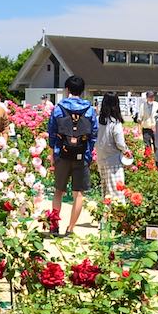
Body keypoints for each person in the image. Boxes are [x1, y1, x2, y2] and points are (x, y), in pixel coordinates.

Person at [46, 75, 97, 235]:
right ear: (82, 91)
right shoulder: (89, 110)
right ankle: (70, 228)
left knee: (58, 191)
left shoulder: (59, 108)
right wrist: (88, 153)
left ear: (67, 89)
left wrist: (52, 154)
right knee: (78, 194)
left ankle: (54, 226)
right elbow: (93, 133)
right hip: (82, 155)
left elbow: (52, 133)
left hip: (62, 153)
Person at [94, 92, 131, 201]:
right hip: (113, 161)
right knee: (117, 195)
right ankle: (117, 217)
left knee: (106, 193)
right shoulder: (115, 123)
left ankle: (105, 217)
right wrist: (126, 150)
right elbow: (120, 143)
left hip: (101, 160)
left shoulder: (98, 120)